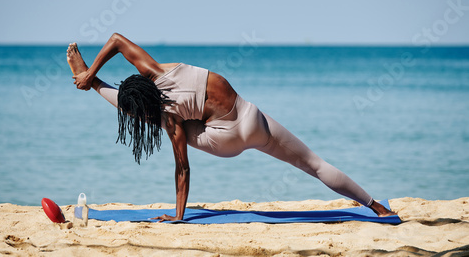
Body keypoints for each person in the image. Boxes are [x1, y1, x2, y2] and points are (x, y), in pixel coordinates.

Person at [67, 33, 396, 222]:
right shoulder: (154, 68)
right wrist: (92, 65)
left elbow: (182, 168)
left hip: (224, 141)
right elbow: (115, 39)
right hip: (251, 118)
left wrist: (179, 217)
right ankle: (375, 206)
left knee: (151, 116)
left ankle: (94, 85)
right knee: (313, 163)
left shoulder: (167, 117)